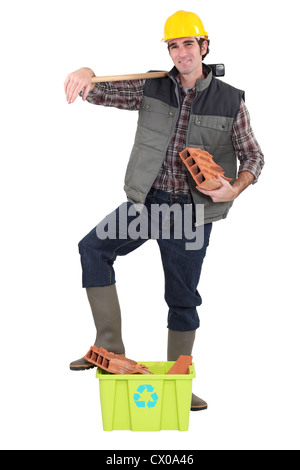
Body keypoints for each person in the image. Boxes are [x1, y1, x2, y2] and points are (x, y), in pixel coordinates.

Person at [64, 10, 264, 411]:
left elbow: (254, 157)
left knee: (182, 298)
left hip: (191, 216)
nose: (181, 52)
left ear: (204, 46)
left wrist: (235, 189)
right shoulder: (152, 86)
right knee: (93, 249)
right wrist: (86, 72)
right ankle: (108, 348)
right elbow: (101, 91)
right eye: (174, 45)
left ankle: (179, 381)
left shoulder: (230, 100)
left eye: (188, 43)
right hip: (147, 203)